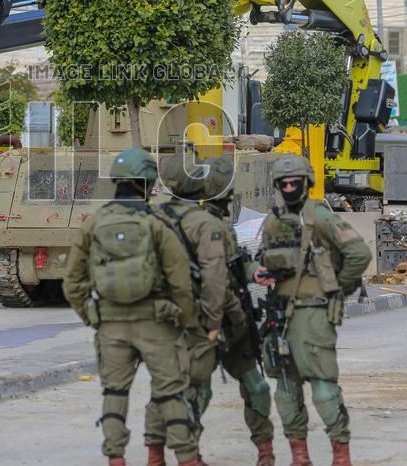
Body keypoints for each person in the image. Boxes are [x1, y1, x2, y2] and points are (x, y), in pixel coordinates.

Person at [63, 148, 205, 466]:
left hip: (111, 325)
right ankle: (187, 458)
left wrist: (93, 317)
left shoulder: (94, 224)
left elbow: (72, 282)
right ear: (149, 181)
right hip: (156, 323)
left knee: (114, 393)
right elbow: (180, 279)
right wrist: (182, 318)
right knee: (171, 392)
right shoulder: (157, 223)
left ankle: (116, 458)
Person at [252, 154, 371, 466]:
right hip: (279, 315)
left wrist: (337, 287)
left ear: (306, 182)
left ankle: (340, 456)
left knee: (323, 388)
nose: (290, 187)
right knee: (286, 391)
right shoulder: (273, 220)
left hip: (313, 314)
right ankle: (299, 456)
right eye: (284, 183)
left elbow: (359, 253)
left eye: (296, 182)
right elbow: (260, 257)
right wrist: (258, 271)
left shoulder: (319, 215)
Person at [142, 152, 229, 466]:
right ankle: (189, 455)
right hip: (192, 317)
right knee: (194, 386)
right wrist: (213, 321)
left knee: (161, 385)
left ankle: (154, 455)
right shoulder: (206, 223)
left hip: (153, 316)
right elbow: (215, 276)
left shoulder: (152, 218)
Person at [202, 153, 276, 466]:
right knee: (196, 393)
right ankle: (187, 454)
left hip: (236, 321)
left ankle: (266, 451)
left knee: (256, 387)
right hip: (208, 323)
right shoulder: (200, 227)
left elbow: (238, 266)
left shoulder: (224, 227)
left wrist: (256, 272)